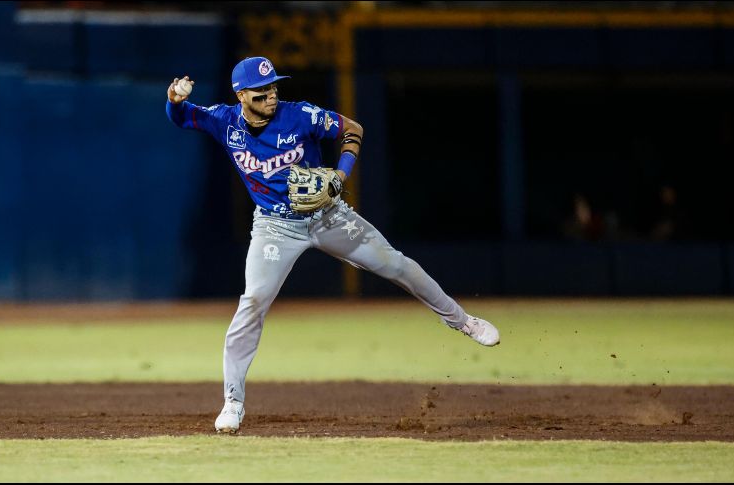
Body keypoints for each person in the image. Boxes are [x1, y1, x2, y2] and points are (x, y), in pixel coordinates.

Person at [165, 57, 500, 434]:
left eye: (274, 87)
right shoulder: (224, 120)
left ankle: (463, 321)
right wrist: (175, 98)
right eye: (262, 92)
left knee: (397, 264)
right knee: (253, 301)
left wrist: (340, 175)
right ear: (242, 96)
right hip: (275, 227)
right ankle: (233, 402)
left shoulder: (301, 115)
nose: (272, 95)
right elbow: (182, 117)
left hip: (328, 216)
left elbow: (352, 129)